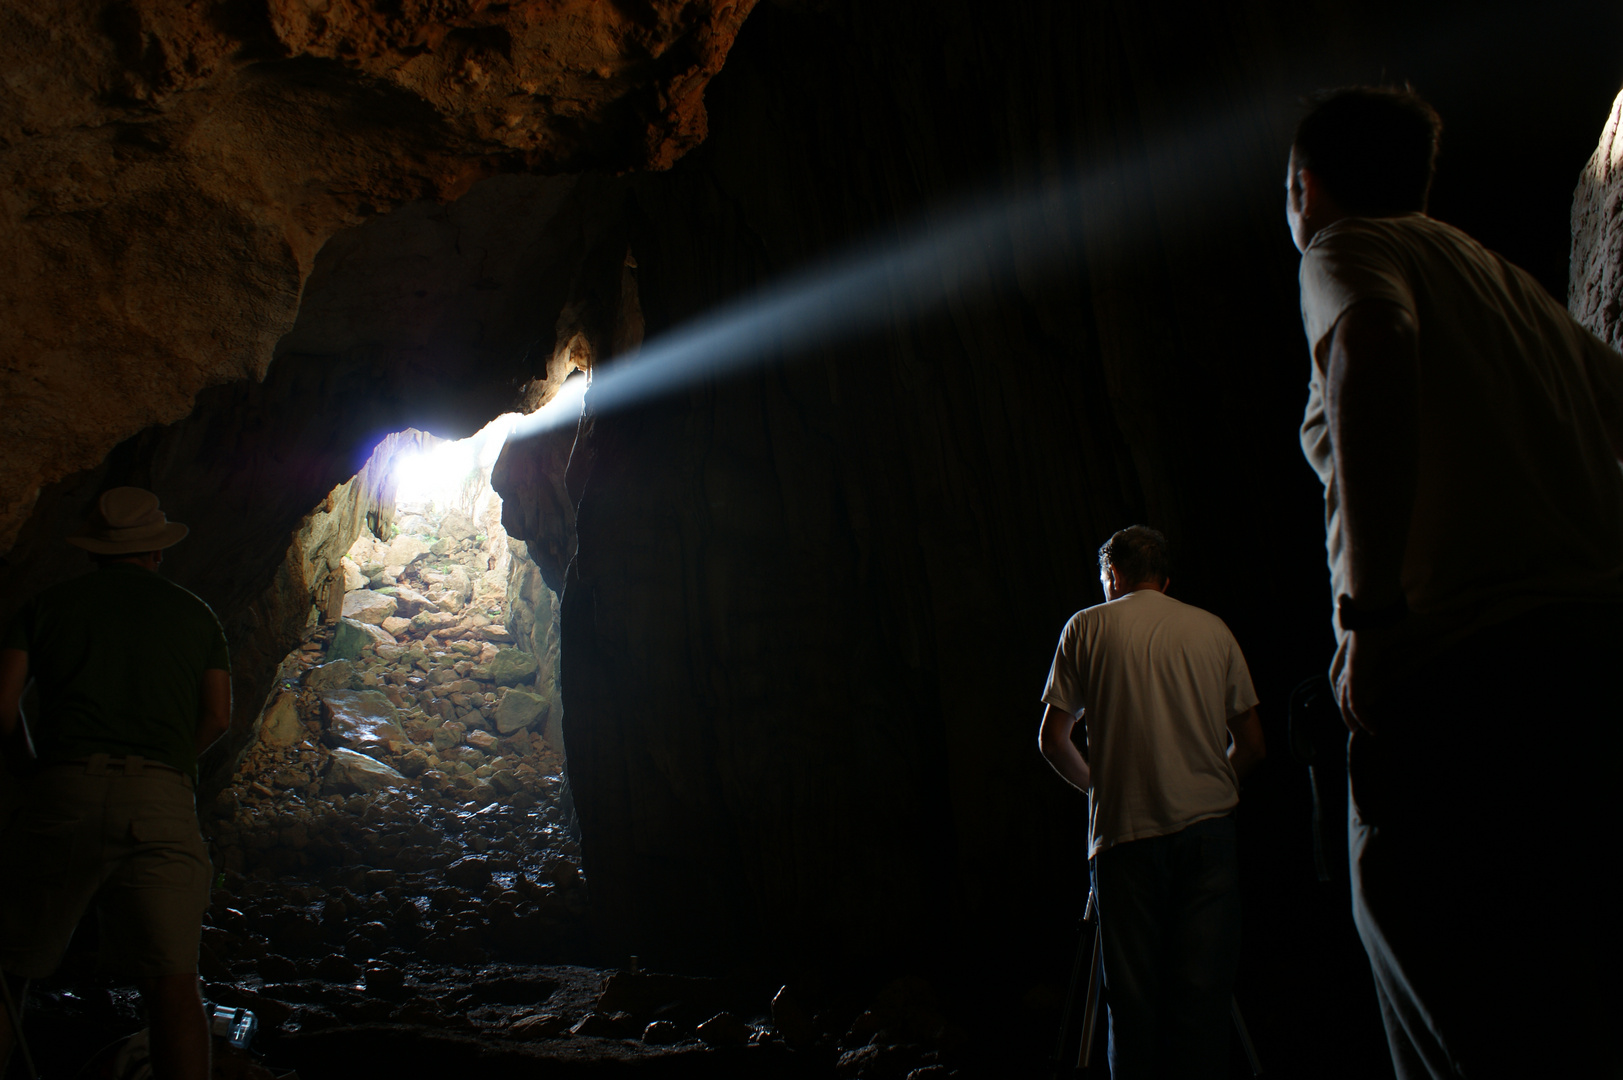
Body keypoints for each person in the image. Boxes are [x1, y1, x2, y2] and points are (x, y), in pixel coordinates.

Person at [1287, 86, 1623, 1078]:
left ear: (1306, 188)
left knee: (1452, 1004)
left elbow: (1374, 341)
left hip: (1460, 677)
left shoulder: (1344, 249)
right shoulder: (1506, 285)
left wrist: (1373, 618)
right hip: (1591, 664)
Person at [0, 487, 232, 1080]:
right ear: (156, 552)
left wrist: (31, 768)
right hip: (159, 797)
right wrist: (172, 761)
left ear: (93, 552)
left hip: (62, 792)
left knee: (10, 970)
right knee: (175, 986)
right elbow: (218, 715)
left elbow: (2, 706)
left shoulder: (46, 606)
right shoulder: (195, 614)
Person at [1039, 525, 1265, 1080]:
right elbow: (1253, 744)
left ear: (1112, 575)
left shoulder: (1086, 628)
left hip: (1124, 840)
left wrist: (1103, 786)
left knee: (1133, 1010)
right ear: (1165, 580)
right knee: (1203, 1006)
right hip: (1209, 836)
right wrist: (1209, 787)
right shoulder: (1213, 630)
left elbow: (1052, 739)